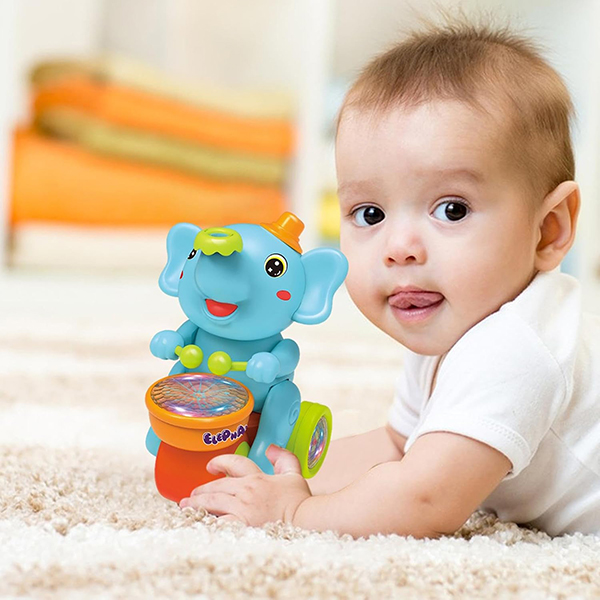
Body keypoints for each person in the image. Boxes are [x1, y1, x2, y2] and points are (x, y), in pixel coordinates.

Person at [179, 18, 600, 538]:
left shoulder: (514, 348)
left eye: (451, 209)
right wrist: (274, 474)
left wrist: (292, 513)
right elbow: (399, 446)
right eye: (370, 214)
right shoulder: (454, 325)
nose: (399, 249)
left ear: (548, 229)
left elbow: (424, 498)